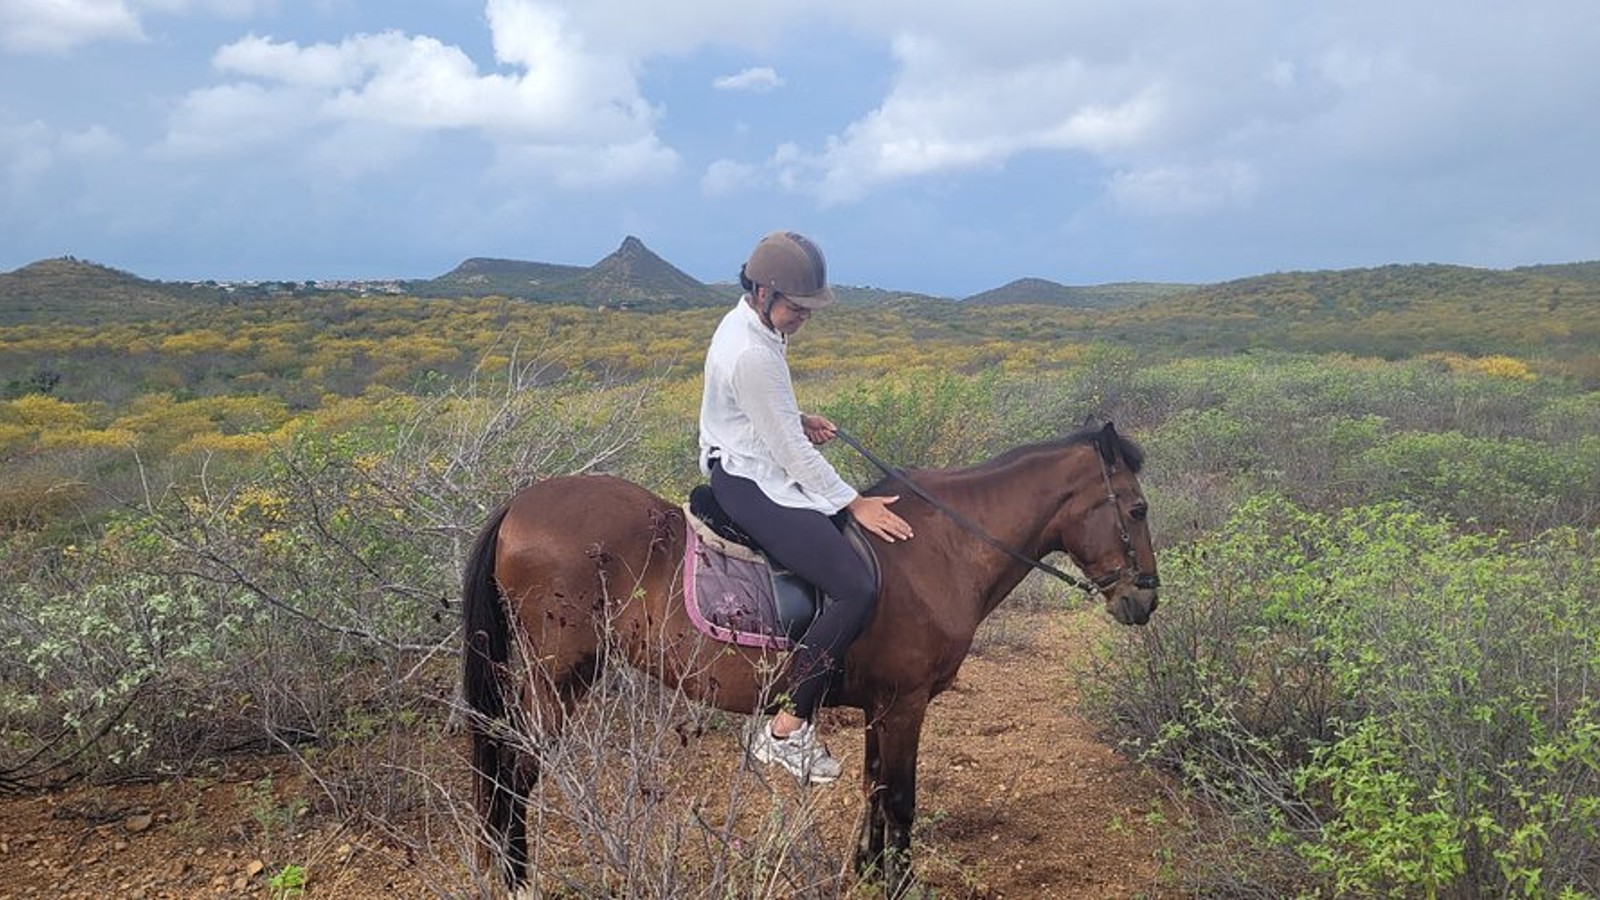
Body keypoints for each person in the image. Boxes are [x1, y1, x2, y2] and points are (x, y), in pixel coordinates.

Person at [698, 230, 914, 785]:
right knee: (855, 587)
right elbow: (791, 454)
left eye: (808, 309)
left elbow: (761, 414)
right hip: (750, 477)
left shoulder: (753, 326)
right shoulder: (753, 352)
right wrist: (853, 502)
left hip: (745, 456)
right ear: (764, 292)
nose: (804, 318)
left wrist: (795, 417)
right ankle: (786, 730)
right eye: (797, 307)